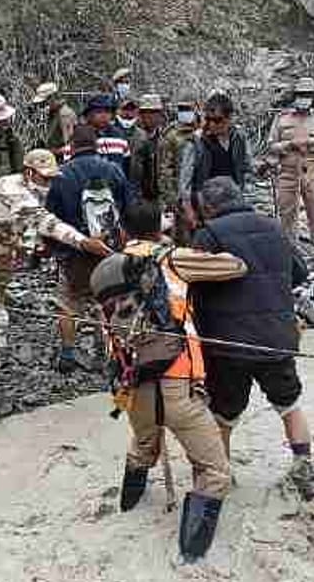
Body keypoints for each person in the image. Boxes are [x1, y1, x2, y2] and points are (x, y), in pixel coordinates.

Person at [98, 200, 246, 562]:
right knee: (215, 471)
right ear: (159, 228)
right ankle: (190, 553)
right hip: (178, 381)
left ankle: (128, 506)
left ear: (124, 232)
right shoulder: (173, 258)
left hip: (131, 384)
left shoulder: (108, 270)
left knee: (143, 447)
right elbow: (235, 266)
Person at [190, 176, 314, 499]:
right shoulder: (274, 227)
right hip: (277, 338)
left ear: (208, 207)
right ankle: (304, 466)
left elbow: (192, 282)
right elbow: (300, 272)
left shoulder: (208, 235)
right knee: (289, 405)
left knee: (223, 415)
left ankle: (221, 475)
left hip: (228, 344)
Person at [0, 150, 111, 398]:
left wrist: (31, 247)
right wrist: (84, 242)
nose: (49, 183)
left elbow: (27, 228)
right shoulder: (11, 188)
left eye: (52, 178)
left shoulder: (37, 191)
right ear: (29, 172)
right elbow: (45, 221)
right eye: (45, 178)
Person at [45, 125, 136, 373]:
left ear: (72, 146)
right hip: (109, 251)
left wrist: (55, 250)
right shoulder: (114, 170)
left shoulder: (61, 175)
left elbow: (50, 219)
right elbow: (129, 209)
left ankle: (67, 354)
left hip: (75, 252)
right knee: (108, 300)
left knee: (67, 303)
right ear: (96, 145)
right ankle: (110, 351)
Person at [265, 77, 314, 248]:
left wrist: (312, 143)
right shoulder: (281, 118)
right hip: (287, 171)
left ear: (313, 96)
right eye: (301, 94)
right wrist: (289, 144)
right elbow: (271, 145)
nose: (304, 98)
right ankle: (289, 251)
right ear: (295, 95)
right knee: (286, 214)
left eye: (307, 95)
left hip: (312, 171)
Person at [180, 92, 251, 239]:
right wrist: (189, 210)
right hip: (205, 205)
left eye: (217, 120)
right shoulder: (196, 141)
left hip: (233, 202)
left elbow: (246, 167)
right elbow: (185, 181)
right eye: (208, 119)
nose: (212, 124)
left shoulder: (239, 137)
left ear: (229, 118)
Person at [156, 96, 199, 235]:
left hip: (200, 193)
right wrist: (172, 199)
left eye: (189, 109)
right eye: (182, 109)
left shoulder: (202, 132)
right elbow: (165, 170)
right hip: (179, 194)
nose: (185, 113)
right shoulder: (171, 135)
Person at [79, 93, 133, 177]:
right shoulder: (81, 136)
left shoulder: (120, 136)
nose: (103, 116)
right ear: (89, 115)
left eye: (107, 112)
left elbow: (126, 164)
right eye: (99, 112)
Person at [130, 93, 168, 202]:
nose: (150, 117)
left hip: (158, 196)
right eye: (146, 112)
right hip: (138, 196)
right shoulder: (132, 137)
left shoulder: (164, 137)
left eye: (154, 112)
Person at [31, 82, 77, 154]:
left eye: (44, 102)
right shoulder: (53, 113)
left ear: (53, 98)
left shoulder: (64, 115)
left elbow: (67, 147)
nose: (42, 106)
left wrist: (49, 152)